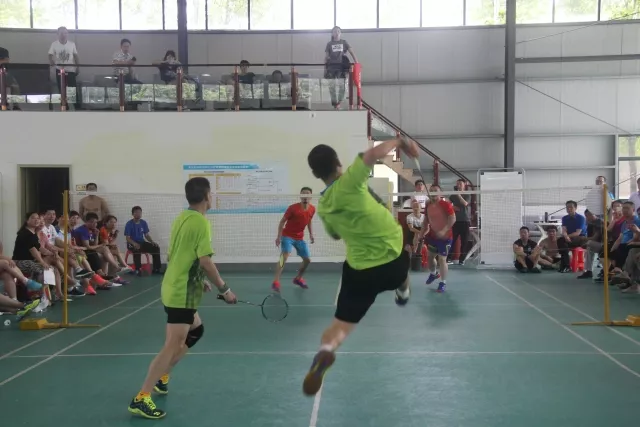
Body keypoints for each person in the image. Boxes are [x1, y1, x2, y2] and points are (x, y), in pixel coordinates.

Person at [302, 137, 417, 397]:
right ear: (338, 163)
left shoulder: (324, 206)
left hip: (360, 272)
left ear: (316, 174)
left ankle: (326, 351)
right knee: (402, 268)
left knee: (341, 326)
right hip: (393, 260)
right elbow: (374, 153)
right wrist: (400, 141)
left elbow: (334, 235)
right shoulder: (351, 180)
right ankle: (403, 291)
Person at [128, 177, 237, 419]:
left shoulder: (182, 217)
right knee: (171, 346)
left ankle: (162, 377)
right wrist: (224, 289)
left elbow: (178, 253)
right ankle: (142, 397)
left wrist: (198, 278)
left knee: (196, 331)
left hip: (174, 284)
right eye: (211, 193)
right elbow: (205, 260)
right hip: (181, 292)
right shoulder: (201, 222)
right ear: (206, 196)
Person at [272, 187, 316, 292]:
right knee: (284, 256)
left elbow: (309, 220)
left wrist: (311, 234)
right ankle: (276, 282)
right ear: (300, 195)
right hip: (287, 236)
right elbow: (282, 222)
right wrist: (278, 236)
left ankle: (298, 278)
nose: (305, 196)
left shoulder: (312, 209)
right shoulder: (292, 208)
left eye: (307, 194)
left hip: (299, 238)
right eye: (303, 193)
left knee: (307, 260)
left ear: (310, 196)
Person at [420, 185, 456, 293]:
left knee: (442, 259)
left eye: (435, 190)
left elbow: (453, 219)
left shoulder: (446, 204)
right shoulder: (428, 205)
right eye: (431, 191)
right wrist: (420, 234)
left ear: (440, 193)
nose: (433, 192)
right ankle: (434, 274)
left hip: (446, 237)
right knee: (430, 258)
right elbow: (425, 221)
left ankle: (443, 283)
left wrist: (444, 231)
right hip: (433, 237)